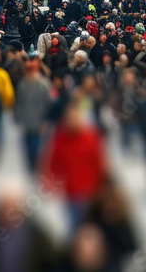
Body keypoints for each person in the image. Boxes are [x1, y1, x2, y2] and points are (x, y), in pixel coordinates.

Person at [43, 99, 108, 232]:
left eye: (75, 117)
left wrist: (101, 187)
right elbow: (53, 162)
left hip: (91, 193)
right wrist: (51, 182)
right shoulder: (60, 139)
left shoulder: (91, 137)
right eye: (69, 118)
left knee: (90, 228)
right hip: (71, 193)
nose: (72, 121)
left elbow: (100, 163)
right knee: (74, 227)